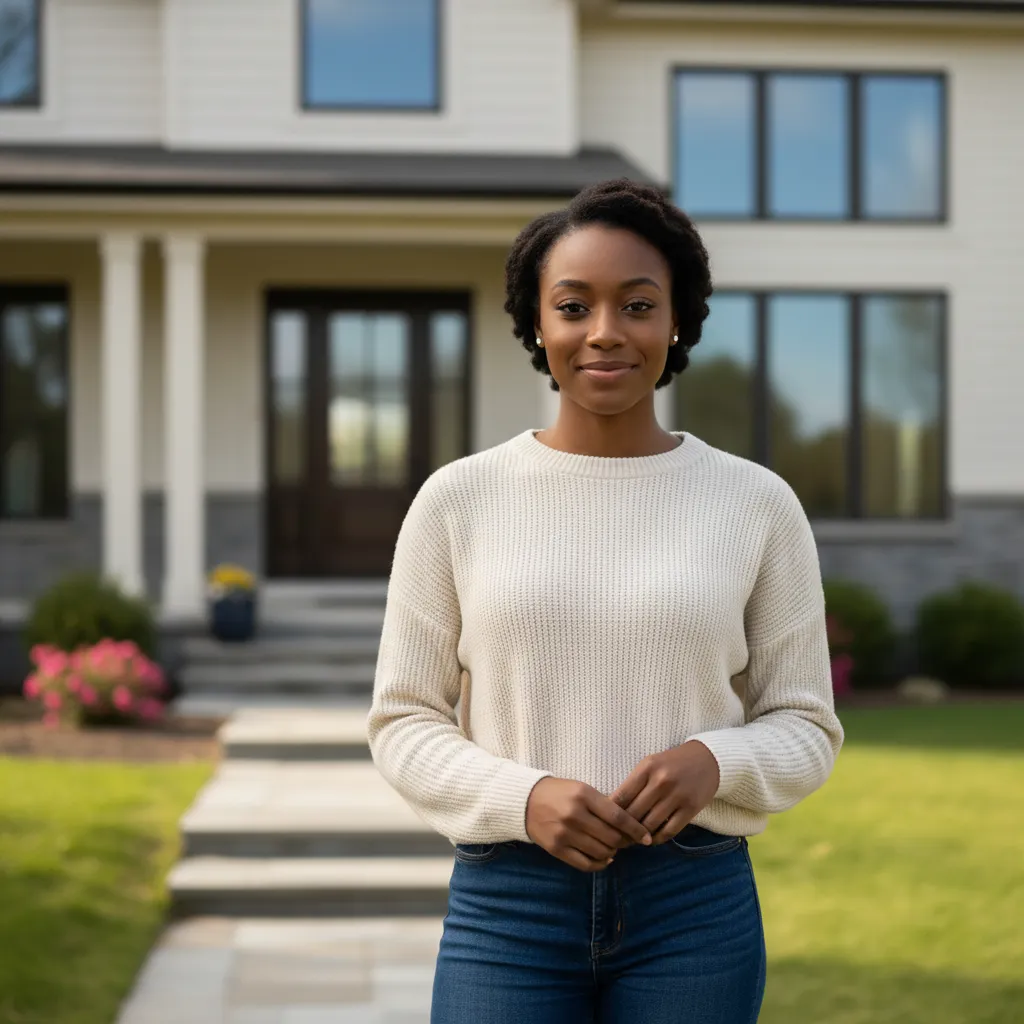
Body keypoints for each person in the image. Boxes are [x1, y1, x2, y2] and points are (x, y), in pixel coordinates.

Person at [367, 178, 844, 1023]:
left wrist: (716, 761)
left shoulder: (756, 504)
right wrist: (524, 797)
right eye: (573, 306)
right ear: (537, 323)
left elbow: (807, 724)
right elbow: (403, 720)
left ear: (677, 322)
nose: (604, 333)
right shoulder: (458, 499)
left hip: (694, 904)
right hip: (508, 904)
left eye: (636, 305)